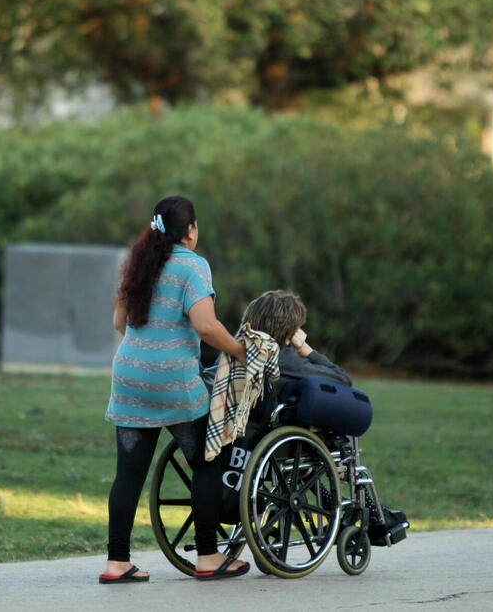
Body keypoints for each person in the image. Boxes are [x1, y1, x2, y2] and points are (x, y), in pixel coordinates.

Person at [100, 195, 250, 584]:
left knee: (128, 474)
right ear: (191, 230)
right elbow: (205, 326)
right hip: (174, 383)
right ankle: (207, 556)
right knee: (205, 462)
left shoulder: (137, 262)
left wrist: (145, 348)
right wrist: (238, 349)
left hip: (129, 377)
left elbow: (120, 321)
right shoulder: (193, 266)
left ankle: (117, 562)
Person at [240, 289, 352, 389]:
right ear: (290, 334)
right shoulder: (286, 360)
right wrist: (307, 350)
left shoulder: (240, 351)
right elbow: (343, 379)